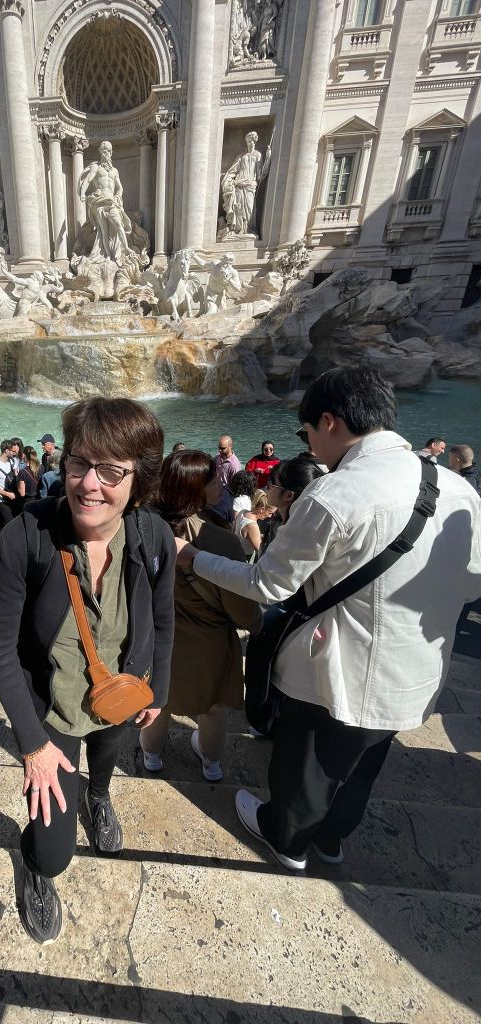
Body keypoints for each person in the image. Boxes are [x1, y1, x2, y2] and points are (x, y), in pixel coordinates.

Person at [176, 366, 481, 872]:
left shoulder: (333, 493)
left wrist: (193, 558)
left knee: (308, 764)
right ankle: (332, 840)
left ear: (329, 421)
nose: (311, 446)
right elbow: (471, 587)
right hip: (415, 674)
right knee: (363, 766)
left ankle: (287, 840)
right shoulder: (459, 490)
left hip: (335, 671)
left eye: (307, 433)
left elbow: (268, 584)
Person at [0, 397, 175, 945]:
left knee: (107, 758)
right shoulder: (26, 536)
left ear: (138, 480)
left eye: (111, 470)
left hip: (123, 694)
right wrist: (32, 745)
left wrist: (158, 689)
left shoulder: (152, 536)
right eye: (79, 463)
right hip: (54, 715)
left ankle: (100, 796)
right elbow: (0, 649)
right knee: (54, 852)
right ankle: (35, 867)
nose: (89, 484)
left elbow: (164, 618)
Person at [141, 451, 262, 780]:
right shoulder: (220, 539)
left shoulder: (142, 527)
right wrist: (256, 624)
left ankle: (151, 757)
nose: (220, 484)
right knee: (212, 708)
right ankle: (211, 764)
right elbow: (243, 609)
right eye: (212, 480)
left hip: (157, 638)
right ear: (195, 489)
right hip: (209, 642)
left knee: (157, 702)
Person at [234, 488, 271, 558]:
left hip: (235, 551)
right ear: (262, 509)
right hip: (244, 558)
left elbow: (234, 530)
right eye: (270, 513)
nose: (270, 516)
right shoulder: (252, 525)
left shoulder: (242, 511)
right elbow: (260, 551)